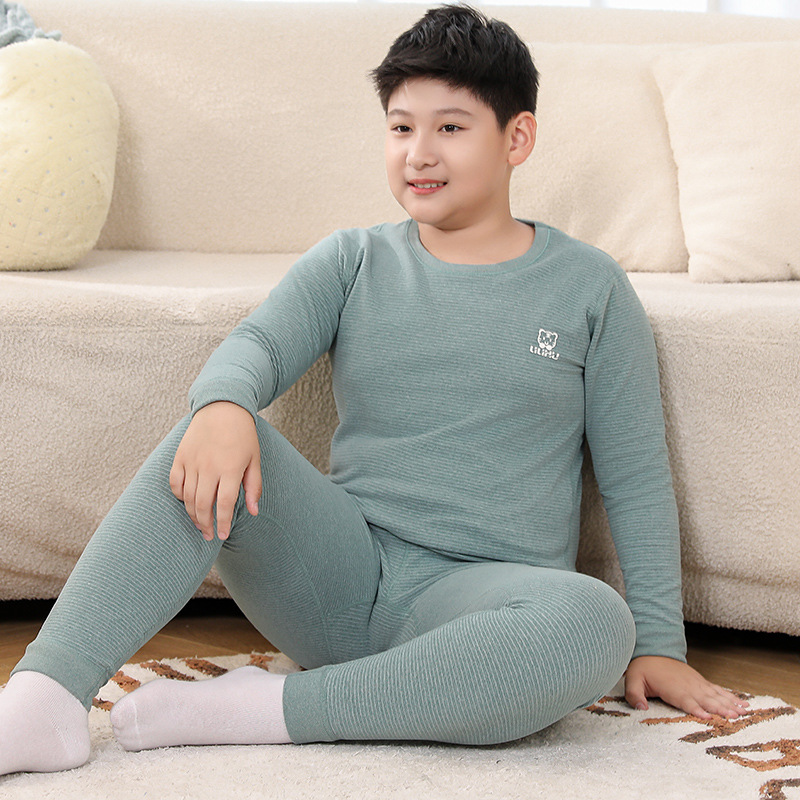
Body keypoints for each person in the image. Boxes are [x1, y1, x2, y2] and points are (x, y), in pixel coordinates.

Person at [0, 4, 747, 776]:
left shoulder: (590, 287)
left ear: (516, 137)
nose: (419, 154)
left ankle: (274, 711)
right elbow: (258, 345)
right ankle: (44, 698)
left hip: (482, 610)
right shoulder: (353, 260)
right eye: (400, 128)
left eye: (450, 128)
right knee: (204, 438)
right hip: (338, 580)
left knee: (595, 622)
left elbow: (635, 476)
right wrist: (222, 404)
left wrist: (660, 642)